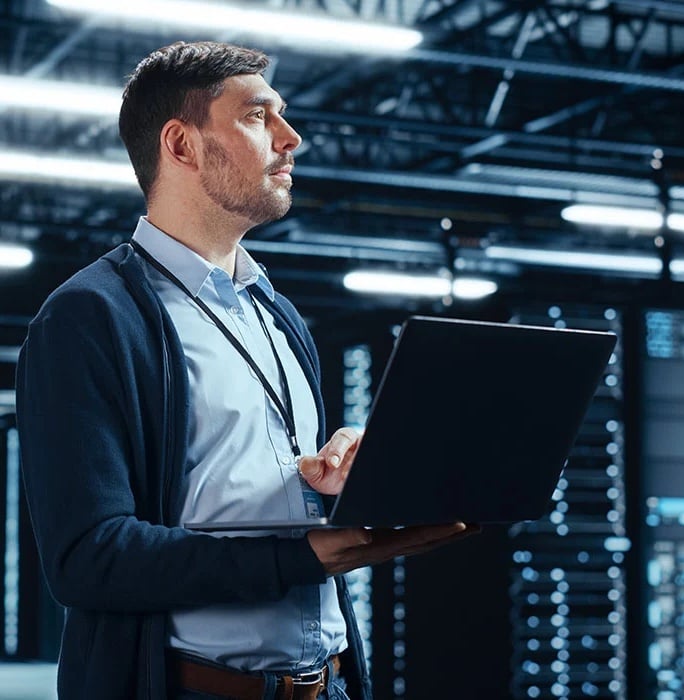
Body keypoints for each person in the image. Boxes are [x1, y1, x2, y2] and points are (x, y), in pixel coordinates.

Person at [14, 40, 478, 700]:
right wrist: (303, 557)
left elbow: (258, 499)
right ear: (181, 145)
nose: (292, 140)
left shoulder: (279, 316)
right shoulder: (89, 318)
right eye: (260, 116)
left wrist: (341, 481)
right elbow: (89, 560)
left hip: (331, 686)